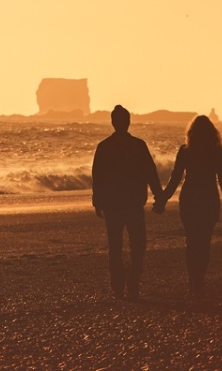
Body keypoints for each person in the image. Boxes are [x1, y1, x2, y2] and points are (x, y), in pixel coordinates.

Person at [156, 114, 222, 298]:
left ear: (191, 133)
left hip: (189, 199)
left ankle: (193, 281)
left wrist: (162, 199)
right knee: (204, 243)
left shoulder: (186, 150)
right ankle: (198, 280)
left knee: (192, 242)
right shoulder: (216, 151)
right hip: (209, 199)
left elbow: (175, 179)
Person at [92, 105, 164, 300]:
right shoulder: (138, 146)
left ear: (113, 122)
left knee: (115, 244)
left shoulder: (104, 147)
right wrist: (159, 196)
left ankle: (118, 284)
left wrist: (97, 200)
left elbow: (97, 176)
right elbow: (151, 173)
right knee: (138, 244)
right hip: (133, 202)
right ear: (128, 122)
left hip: (113, 203)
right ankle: (132, 280)